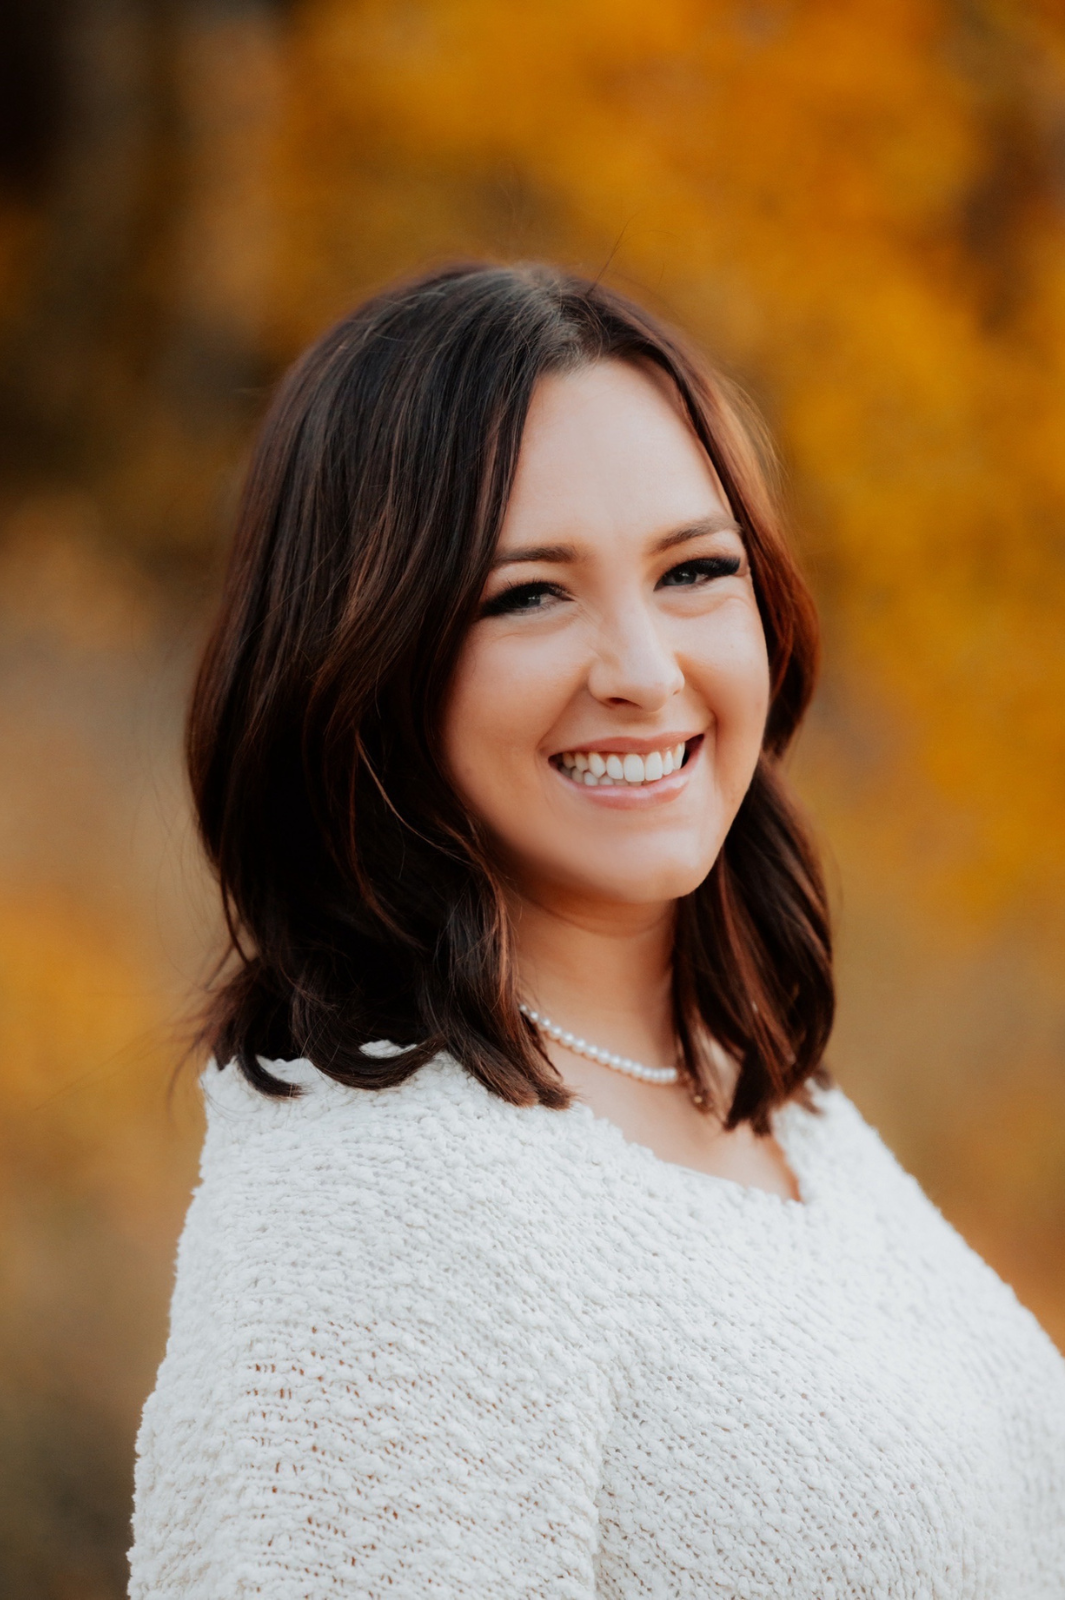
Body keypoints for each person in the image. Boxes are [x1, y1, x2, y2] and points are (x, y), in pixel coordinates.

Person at [128, 264, 1065, 1599]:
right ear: (363, 658)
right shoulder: (387, 1216)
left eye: (694, 570)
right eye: (528, 594)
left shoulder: (768, 1103)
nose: (641, 669)